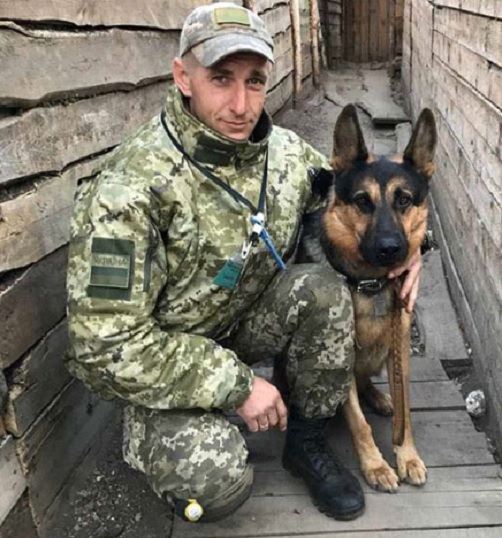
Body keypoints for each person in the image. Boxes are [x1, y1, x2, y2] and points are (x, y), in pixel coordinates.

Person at [65, 2, 422, 524]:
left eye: (254, 81)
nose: (241, 104)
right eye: (221, 79)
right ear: (182, 77)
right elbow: (104, 346)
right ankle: (164, 435)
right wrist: (238, 385)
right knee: (214, 481)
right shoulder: (127, 191)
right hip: (168, 356)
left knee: (323, 290)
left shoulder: (284, 154)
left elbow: (364, 200)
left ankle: (305, 441)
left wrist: (413, 253)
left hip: (246, 321)